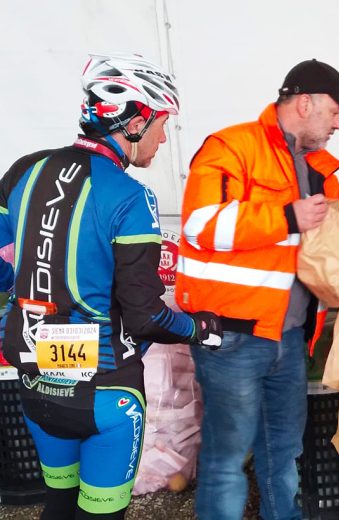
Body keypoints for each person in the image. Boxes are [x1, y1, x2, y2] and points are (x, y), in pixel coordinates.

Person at [0, 53, 222, 520]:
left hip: (36, 381)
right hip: (106, 393)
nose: (164, 136)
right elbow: (145, 315)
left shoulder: (25, 171)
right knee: (100, 513)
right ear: (136, 121)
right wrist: (200, 329)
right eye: (162, 123)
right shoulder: (130, 196)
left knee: (59, 502)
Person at [175, 59, 339, 520]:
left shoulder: (319, 169)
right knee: (227, 459)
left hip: (289, 339)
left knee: (283, 455)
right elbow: (200, 224)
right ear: (305, 102)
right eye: (334, 111)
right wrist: (287, 217)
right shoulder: (230, 147)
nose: (338, 123)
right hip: (231, 337)